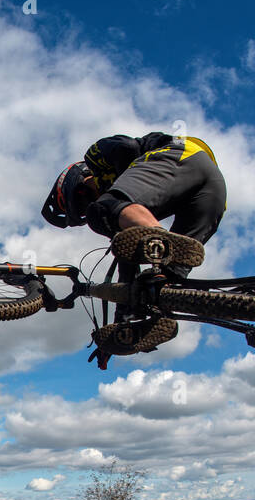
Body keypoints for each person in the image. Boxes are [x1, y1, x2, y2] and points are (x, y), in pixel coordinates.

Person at [41, 131, 226, 367]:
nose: (90, 207)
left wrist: (111, 194)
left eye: (85, 201)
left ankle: (166, 243)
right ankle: (160, 311)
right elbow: (127, 275)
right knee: (156, 287)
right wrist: (121, 326)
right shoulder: (133, 215)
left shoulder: (95, 157)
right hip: (213, 192)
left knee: (104, 210)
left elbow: (126, 147)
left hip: (183, 154)